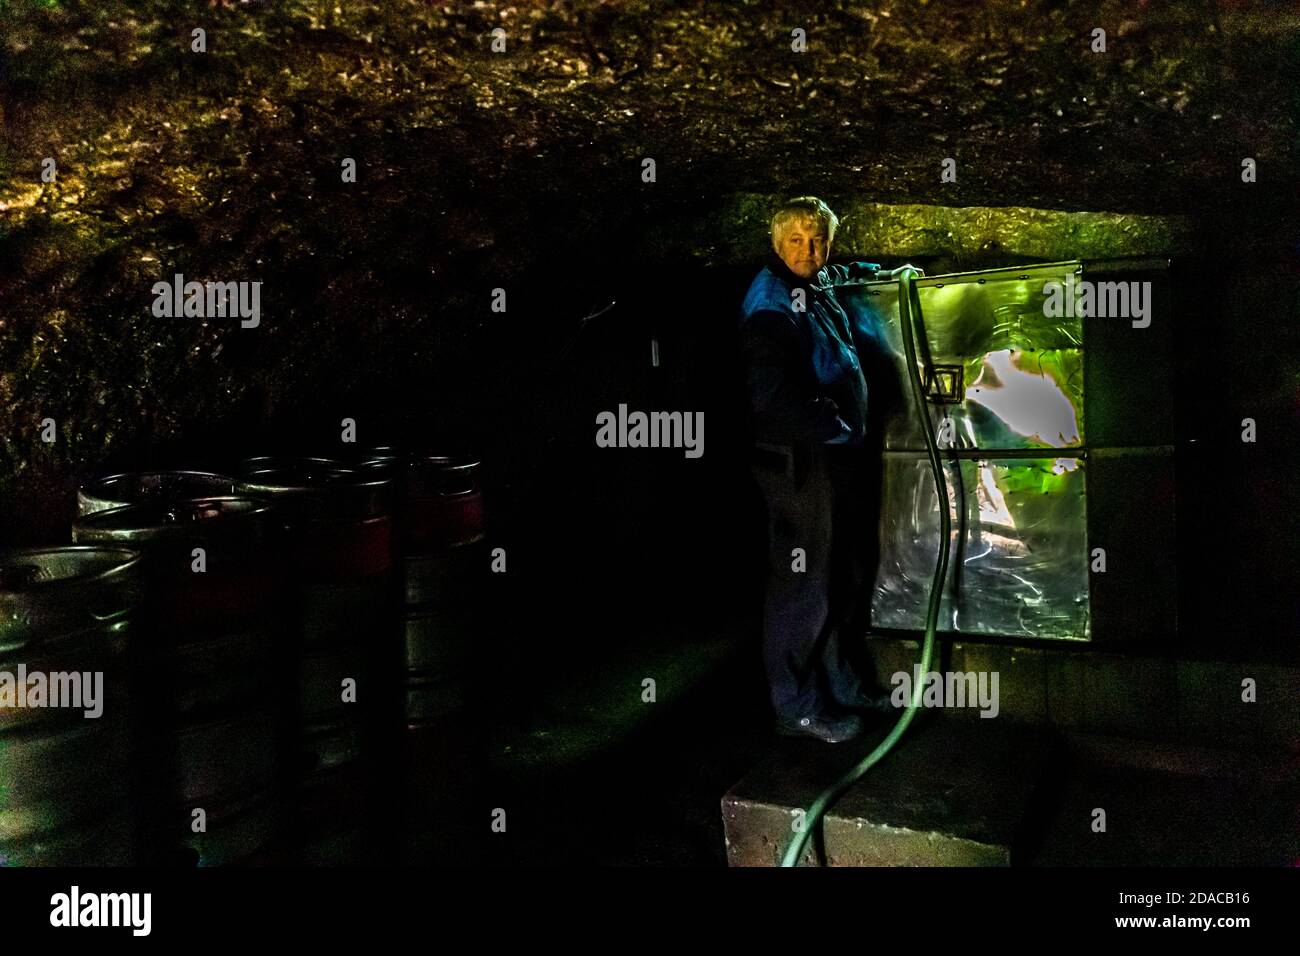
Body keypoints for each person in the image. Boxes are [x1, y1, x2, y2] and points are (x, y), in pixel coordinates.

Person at [738, 196, 921, 743]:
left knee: (839, 573)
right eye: (795, 240)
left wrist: (888, 273)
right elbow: (772, 396)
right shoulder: (769, 304)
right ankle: (796, 706)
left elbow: (841, 272)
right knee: (802, 583)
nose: (808, 250)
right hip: (799, 462)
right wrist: (837, 426)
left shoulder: (812, 280)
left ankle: (839, 682)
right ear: (776, 244)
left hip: (829, 459)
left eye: (817, 239)